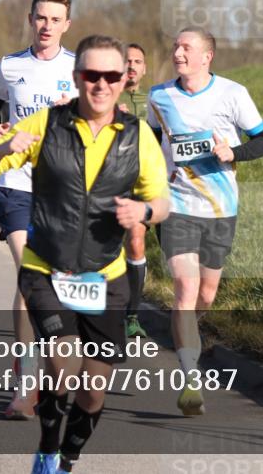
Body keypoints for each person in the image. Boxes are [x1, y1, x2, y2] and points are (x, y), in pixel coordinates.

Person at [0, 35, 170, 474]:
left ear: (123, 80)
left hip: (105, 274)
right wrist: (3, 146)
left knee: (94, 389)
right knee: (62, 368)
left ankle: (67, 459)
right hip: (46, 267)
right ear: (77, 77)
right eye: (91, 75)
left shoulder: (137, 137)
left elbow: (163, 202)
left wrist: (146, 210)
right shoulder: (46, 124)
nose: (101, 84)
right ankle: (45, 450)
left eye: (110, 76)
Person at [147, 28, 263, 416]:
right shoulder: (158, 96)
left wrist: (230, 151)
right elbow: (149, 144)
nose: (178, 52)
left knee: (206, 296)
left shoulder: (232, 94)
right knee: (185, 289)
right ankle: (189, 378)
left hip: (220, 208)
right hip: (177, 205)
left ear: (207, 56)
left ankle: (188, 335)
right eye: (176, 46)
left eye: (187, 47)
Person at [0, 0, 76, 419]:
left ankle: (51, 372)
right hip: (16, 181)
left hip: (61, 189)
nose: (47, 26)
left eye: (56, 20)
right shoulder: (10, 65)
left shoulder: (79, 71)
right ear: (31, 18)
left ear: (67, 25)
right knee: (27, 273)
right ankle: (24, 386)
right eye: (41, 17)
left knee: (52, 281)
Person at [117, 43, 150, 338]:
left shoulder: (156, 102)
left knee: (136, 242)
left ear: (144, 68)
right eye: (127, 60)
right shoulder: (104, 96)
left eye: (137, 61)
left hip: (141, 185)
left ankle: (132, 316)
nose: (131, 65)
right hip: (107, 183)